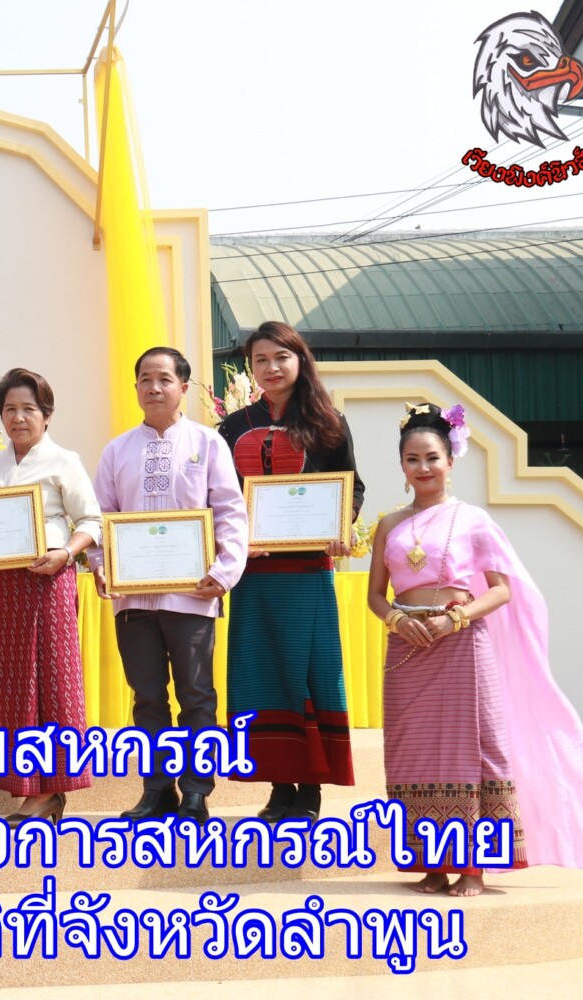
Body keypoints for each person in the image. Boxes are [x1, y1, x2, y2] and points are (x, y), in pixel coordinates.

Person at [367, 403, 583, 896]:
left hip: (461, 648)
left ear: (451, 461)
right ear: (402, 466)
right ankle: (431, 864)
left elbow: (500, 589)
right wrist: (396, 619)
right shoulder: (388, 525)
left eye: (432, 456)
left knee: (472, 752)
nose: (423, 468)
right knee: (411, 754)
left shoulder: (472, 521)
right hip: (407, 649)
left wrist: (453, 618)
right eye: (412, 459)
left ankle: (473, 868)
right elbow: (375, 593)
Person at [90, 347, 248, 824]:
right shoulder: (116, 450)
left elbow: (231, 513)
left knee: (197, 693)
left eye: (163, 378)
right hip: (133, 598)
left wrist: (222, 574)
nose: (153, 387)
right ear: (135, 387)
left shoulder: (208, 443)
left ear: (183, 386)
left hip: (193, 596)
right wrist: (100, 564)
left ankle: (197, 792)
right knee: (148, 697)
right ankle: (157, 791)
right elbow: (102, 519)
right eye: (144, 379)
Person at [217, 321, 365, 822]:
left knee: (311, 673)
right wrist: (229, 543)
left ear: (299, 360)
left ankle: (313, 789)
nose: (272, 368)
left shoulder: (329, 423)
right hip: (254, 576)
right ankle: (280, 788)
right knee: (263, 676)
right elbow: (218, 500)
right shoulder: (231, 428)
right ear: (250, 368)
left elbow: (353, 488)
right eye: (261, 360)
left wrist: (341, 523)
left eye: (281, 357)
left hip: (307, 572)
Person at [0, 368, 101, 825]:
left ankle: (51, 790)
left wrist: (66, 554)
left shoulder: (65, 461)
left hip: (50, 582)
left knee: (52, 681)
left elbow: (91, 522)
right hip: (6, 587)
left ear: (46, 415)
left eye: (29, 408)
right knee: (13, 685)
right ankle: (31, 790)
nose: (19, 417)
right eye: (10, 409)